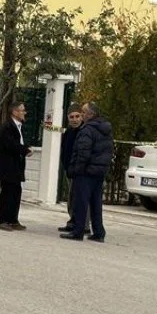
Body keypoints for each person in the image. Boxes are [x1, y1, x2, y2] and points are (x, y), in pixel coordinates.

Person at [63, 102, 113, 242]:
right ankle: (98, 232)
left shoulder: (87, 130)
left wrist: (76, 170)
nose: (81, 115)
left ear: (90, 114)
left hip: (86, 172)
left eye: (83, 112)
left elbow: (83, 153)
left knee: (81, 202)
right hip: (99, 171)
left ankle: (78, 231)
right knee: (96, 203)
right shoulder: (105, 129)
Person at [0, 101, 31, 231]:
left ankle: (13, 219)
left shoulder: (20, 126)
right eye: (22, 110)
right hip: (7, 166)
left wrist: (26, 148)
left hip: (17, 166)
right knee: (7, 193)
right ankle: (2, 220)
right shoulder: (7, 127)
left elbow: (21, 142)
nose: (24, 113)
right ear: (15, 112)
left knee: (16, 193)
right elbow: (11, 145)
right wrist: (25, 150)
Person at [57, 104, 91, 236]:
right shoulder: (69, 132)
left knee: (81, 199)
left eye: (77, 116)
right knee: (71, 199)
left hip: (80, 171)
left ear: (82, 116)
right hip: (70, 170)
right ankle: (73, 222)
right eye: (71, 117)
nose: (75, 119)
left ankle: (84, 226)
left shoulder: (85, 132)